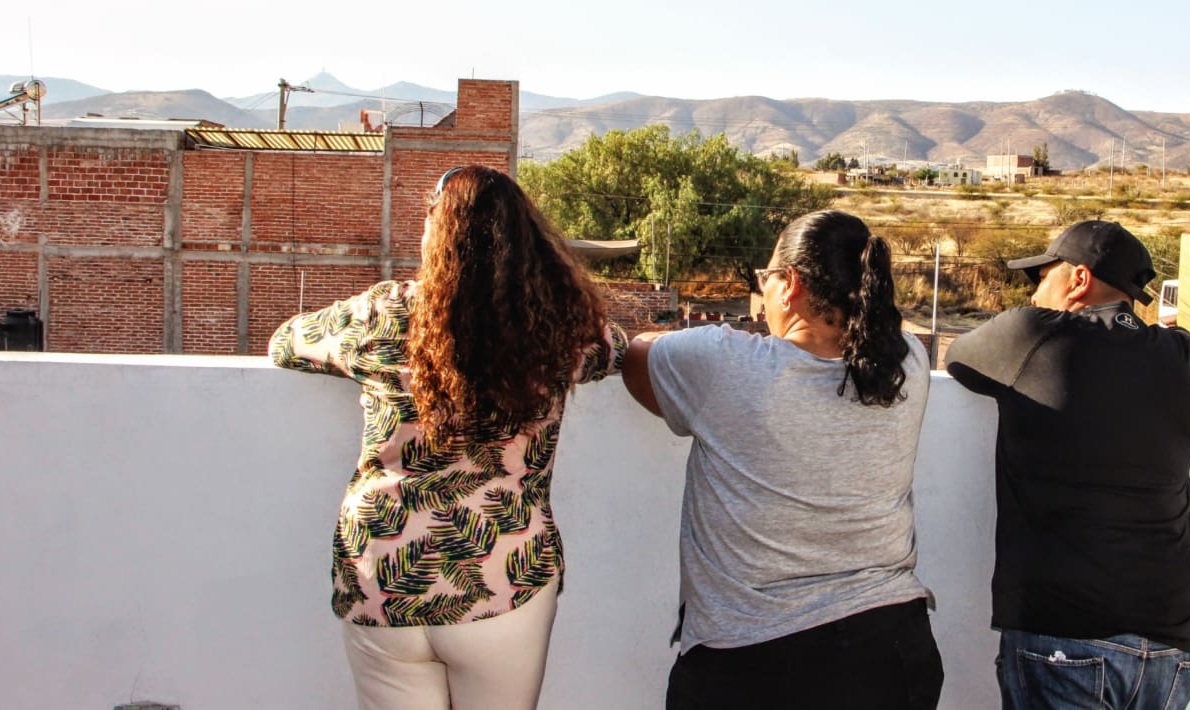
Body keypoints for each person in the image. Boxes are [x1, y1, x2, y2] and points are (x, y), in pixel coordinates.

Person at [269, 165, 627, 710]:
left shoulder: (383, 313)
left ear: (436, 232)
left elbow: (285, 343)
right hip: (502, 574)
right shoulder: (560, 327)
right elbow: (617, 349)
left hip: (382, 573)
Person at [623, 210, 944, 710]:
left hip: (754, 660)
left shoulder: (722, 364)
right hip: (892, 647)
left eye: (766, 278)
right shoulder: (908, 362)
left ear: (789, 283)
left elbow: (638, 354)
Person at [944, 220, 1190, 709]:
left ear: (1078, 279)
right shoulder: (1185, 358)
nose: (1034, 292)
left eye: (1041, 277)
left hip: (1065, 632)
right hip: (1170, 637)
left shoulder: (1031, 336)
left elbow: (960, 358)